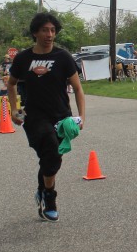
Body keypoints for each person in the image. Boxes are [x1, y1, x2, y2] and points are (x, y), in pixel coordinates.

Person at [7, 13, 86, 222]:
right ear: (35, 33)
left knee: (51, 158)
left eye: (52, 30)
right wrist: (14, 110)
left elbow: (78, 89)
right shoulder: (23, 58)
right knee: (50, 148)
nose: (49, 34)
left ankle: (42, 190)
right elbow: (11, 84)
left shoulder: (63, 57)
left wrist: (81, 116)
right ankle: (50, 197)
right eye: (44, 30)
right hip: (35, 117)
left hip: (61, 118)